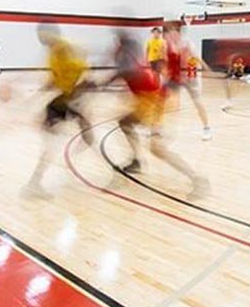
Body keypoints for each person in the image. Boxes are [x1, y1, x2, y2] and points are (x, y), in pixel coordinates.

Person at [101, 30, 209, 197]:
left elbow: (124, 73)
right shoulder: (130, 59)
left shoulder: (128, 63)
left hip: (155, 103)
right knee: (125, 122)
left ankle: (198, 179)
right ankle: (137, 161)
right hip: (146, 102)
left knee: (158, 149)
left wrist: (100, 82)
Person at [25, 24, 93, 195]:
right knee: (52, 144)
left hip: (70, 101)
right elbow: (56, 80)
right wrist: (35, 96)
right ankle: (35, 183)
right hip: (64, 102)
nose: (39, 37)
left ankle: (66, 166)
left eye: (41, 34)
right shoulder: (53, 54)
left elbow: (82, 73)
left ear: (50, 34)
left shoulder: (64, 49)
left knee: (88, 136)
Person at [162, 20, 212, 141]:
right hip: (174, 77)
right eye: (169, 32)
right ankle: (156, 128)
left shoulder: (187, 43)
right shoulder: (166, 44)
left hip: (190, 77)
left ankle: (207, 128)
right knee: (161, 100)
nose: (170, 34)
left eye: (173, 31)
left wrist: (206, 68)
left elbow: (196, 57)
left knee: (197, 102)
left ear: (178, 32)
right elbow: (166, 60)